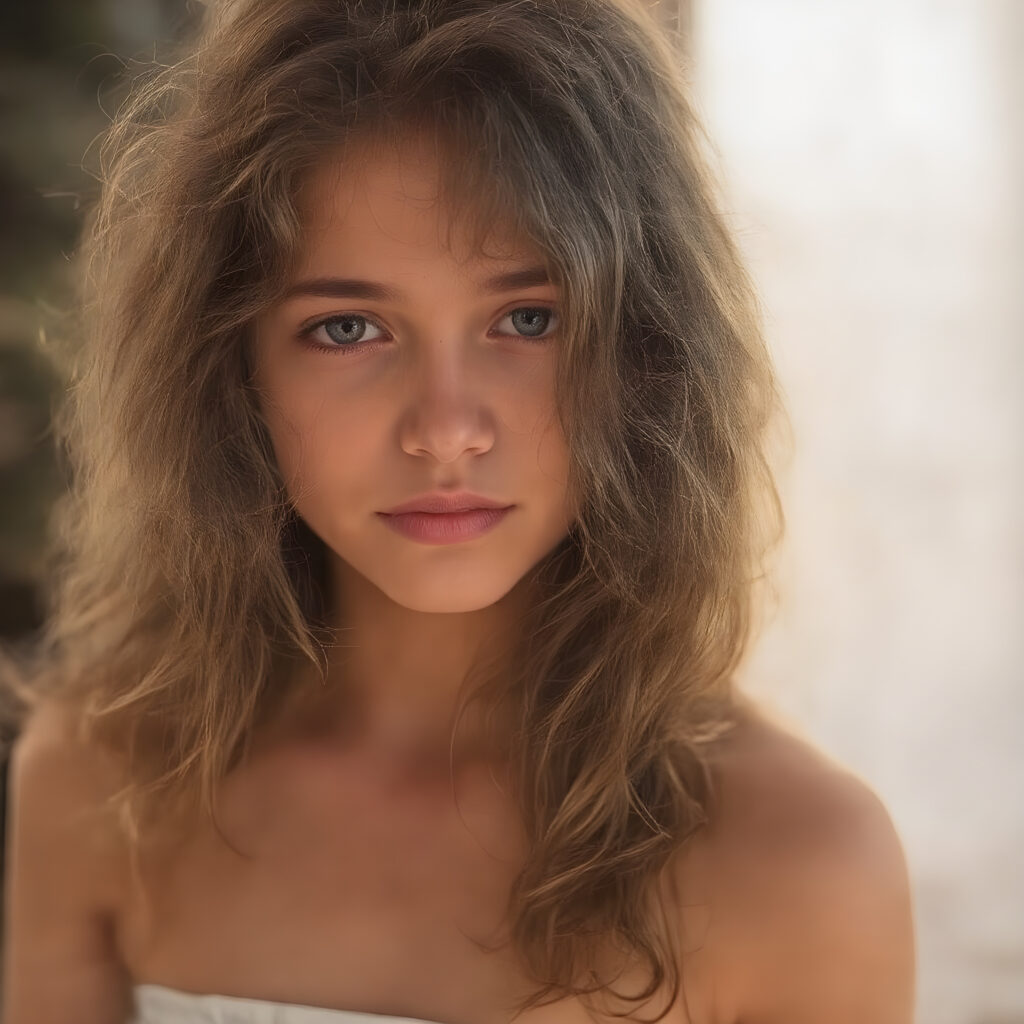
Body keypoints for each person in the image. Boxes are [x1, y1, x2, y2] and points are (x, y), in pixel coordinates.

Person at [0, 0, 916, 1022]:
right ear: (229, 368)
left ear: (649, 352)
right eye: (348, 328)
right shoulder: (102, 782)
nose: (444, 430)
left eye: (527, 320)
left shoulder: (800, 863)